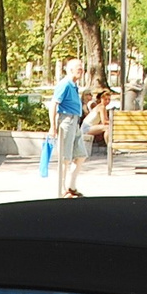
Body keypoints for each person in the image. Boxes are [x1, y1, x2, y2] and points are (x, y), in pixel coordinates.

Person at [48, 57, 87, 197]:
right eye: (79, 69)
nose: (81, 71)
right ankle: (63, 188)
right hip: (67, 121)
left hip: (75, 122)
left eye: (82, 69)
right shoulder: (64, 84)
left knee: (81, 155)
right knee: (65, 158)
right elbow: (53, 104)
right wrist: (53, 127)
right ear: (70, 70)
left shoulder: (74, 85)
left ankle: (71, 185)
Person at [83, 88, 113, 153]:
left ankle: (110, 147)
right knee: (108, 127)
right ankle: (109, 147)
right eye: (105, 99)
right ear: (101, 99)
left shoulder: (103, 107)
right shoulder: (101, 107)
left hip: (91, 127)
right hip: (86, 128)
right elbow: (104, 121)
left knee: (108, 128)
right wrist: (115, 123)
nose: (107, 101)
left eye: (109, 99)